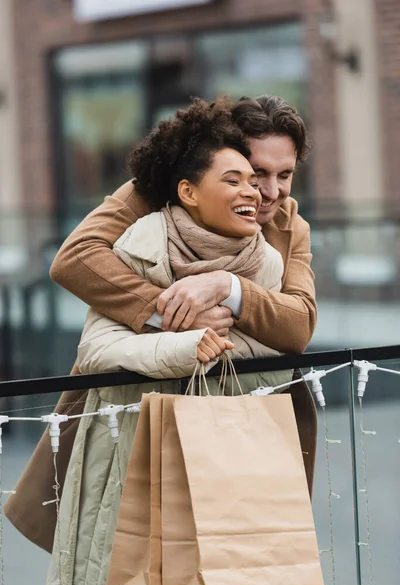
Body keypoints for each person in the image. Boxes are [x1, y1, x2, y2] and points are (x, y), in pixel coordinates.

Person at [5, 94, 317, 555]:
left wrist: (227, 286)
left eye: (284, 174)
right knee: (130, 558)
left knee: (240, 561)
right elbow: (74, 259)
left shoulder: (291, 225)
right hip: (136, 416)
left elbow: (299, 323)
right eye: (255, 171)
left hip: (241, 422)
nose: (268, 190)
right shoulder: (154, 190)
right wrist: (171, 311)